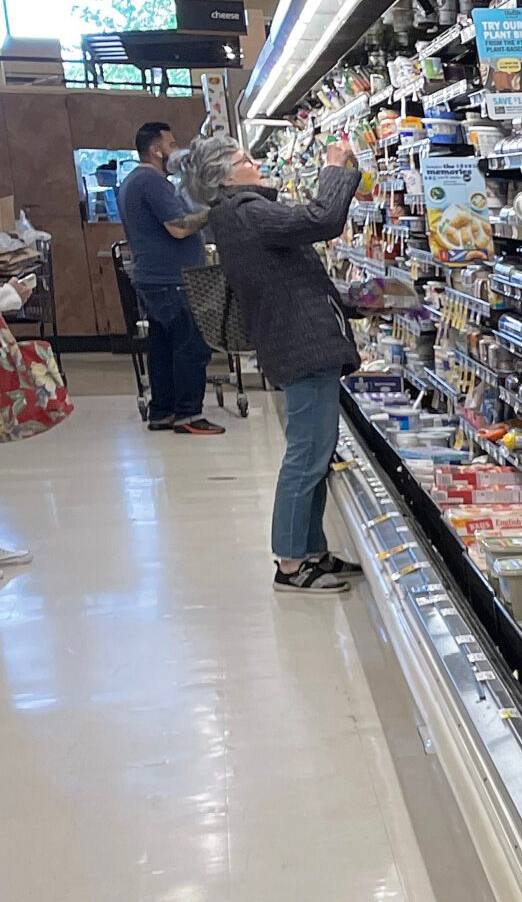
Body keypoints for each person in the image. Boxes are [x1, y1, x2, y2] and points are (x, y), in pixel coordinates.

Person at [187, 133, 362, 596]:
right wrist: (335, 169)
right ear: (225, 177)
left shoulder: (236, 215)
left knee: (316, 454)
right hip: (302, 347)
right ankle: (289, 563)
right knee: (307, 456)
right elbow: (323, 218)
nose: (256, 162)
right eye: (245, 159)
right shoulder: (247, 211)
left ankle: (311, 549)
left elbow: (290, 275)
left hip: (298, 343)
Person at [121, 121, 221, 436]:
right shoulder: (152, 182)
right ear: (156, 149)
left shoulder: (134, 181)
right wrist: (214, 211)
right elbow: (178, 227)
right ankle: (189, 414)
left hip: (154, 278)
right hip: (172, 279)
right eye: (172, 143)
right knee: (191, 346)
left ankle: (162, 411)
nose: (176, 150)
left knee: (163, 347)